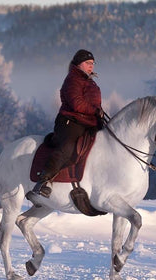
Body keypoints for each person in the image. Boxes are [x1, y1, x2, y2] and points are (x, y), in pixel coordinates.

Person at [26, 49, 104, 203]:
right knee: (68, 147)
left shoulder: (89, 81)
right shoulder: (72, 79)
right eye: (88, 63)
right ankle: (44, 180)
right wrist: (94, 110)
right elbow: (77, 103)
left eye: (93, 63)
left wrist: (99, 113)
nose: (91, 66)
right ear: (78, 63)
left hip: (90, 122)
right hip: (71, 122)